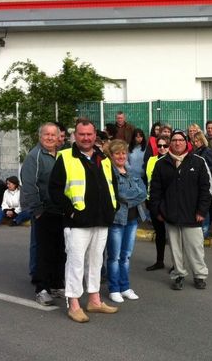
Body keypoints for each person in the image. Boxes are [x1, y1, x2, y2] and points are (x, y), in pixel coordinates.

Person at [49, 118, 119, 322]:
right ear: (75, 135)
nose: (86, 138)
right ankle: (74, 304)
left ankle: (95, 300)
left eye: (89, 134)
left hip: (101, 219)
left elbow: (111, 184)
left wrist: (113, 207)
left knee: (96, 262)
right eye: (82, 134)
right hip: (77, 221)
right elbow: (54, 189)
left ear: (95, 135)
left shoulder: (102, 158)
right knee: (75, 263)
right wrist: (70, 211)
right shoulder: (65, 157)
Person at [149, 129, 211, 290]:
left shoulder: (198, 162)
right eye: (174, 140)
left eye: (181, 140)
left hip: (192, 215)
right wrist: (158, 212)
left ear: (186, 142)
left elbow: (206, 188)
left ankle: (199, 275)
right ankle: (178, 275)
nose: (177, 143)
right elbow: (155, 190)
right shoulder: (161, 163)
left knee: (196, 248)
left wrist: (201, 211)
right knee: (175, 250)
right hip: (171, 215)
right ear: (170, 143)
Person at [21, 122, 64, 305]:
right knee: (43, 251)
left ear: (58, 137)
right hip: (43, 212)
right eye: (46, 134)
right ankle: (42, 289)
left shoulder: (61, 155)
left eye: (53, 135)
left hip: (59, 211)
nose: (49, 137)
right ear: (40, 136)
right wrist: (37, 210)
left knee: (59, 251)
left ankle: (56, 284)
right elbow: (29, 185)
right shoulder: (35, 156)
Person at [106, 139, 148, 303]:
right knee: (114, 257)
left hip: (132, 219)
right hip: (117, 220)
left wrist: (132, 197)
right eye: (117, 153)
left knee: (126, 256)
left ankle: (125, 287)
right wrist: (134, 197)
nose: (121, 156)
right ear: (112, 155)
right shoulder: (110, 173)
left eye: (123, 153)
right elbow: (120, 194)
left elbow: (143, 192)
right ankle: (114, 288)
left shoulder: (130, 172)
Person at [145, 135, 170, 271]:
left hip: (169, 202)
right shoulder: (151, 160)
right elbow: (147, 179)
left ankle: (177, 264)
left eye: (165, 146)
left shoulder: (173, 160)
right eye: (159, 145)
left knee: (173, 235)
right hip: (153, 200)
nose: (162, 148)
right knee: (159, 233)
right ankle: (159, 261)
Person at [192, 131, 212, 237]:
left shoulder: (207, 151)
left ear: (202, 140)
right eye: (194, 141)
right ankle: (201, 230)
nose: (195, 143)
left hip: (205, 182)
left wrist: (203, 174)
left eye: (197, 141)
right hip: (197, 183)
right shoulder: (197, 151)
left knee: (204, 207)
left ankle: (205, 230)